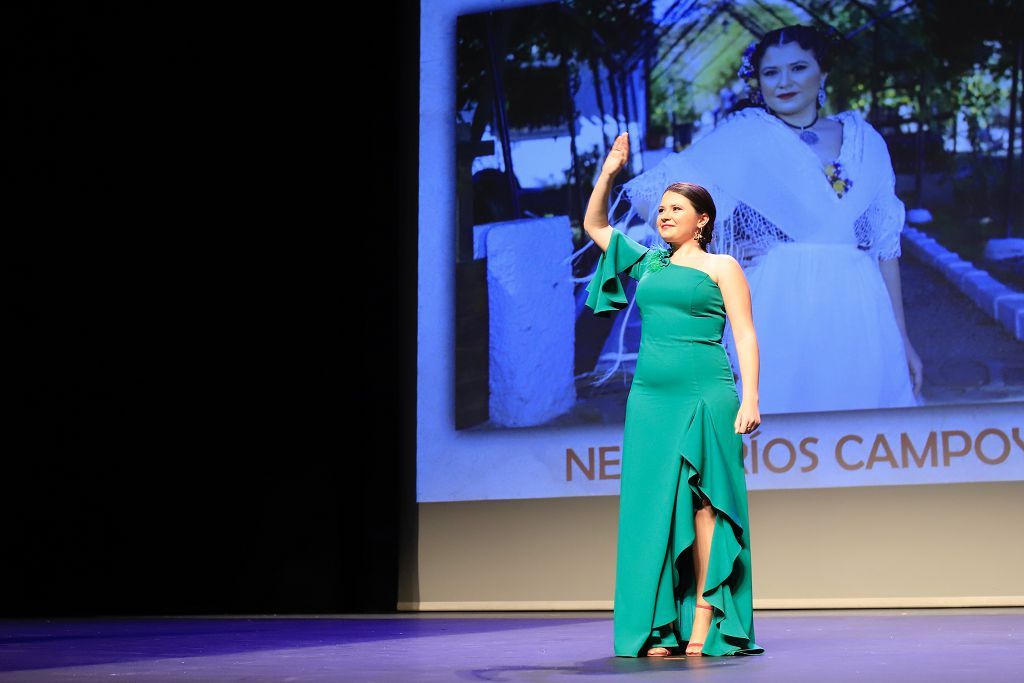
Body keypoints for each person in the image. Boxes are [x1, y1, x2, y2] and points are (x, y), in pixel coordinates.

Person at [604, 24, 922, 415]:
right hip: (781, 303)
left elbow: (886, 249)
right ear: (758, 82)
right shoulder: (746, 137)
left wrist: (902, 338)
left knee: (861, 432)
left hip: (859, 306)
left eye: (798, 68)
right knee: (784, 428)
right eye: (771, 73)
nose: (784, 82)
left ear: (822, 72)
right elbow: (652, 198)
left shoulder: (867, 140)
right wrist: (719, 249)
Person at [584, 131, 764, 657]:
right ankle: (660, 625)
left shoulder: (721, 266)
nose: (663, 215)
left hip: (706, 391)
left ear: (701, 219)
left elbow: (746, 334)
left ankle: (705, 621)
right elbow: (596, 226)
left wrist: (751, 397)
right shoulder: (649, 264)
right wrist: (609, 173)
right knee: (654, 506)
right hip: (650, 399)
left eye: (675, 208)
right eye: (661, 208)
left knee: (707, 505)